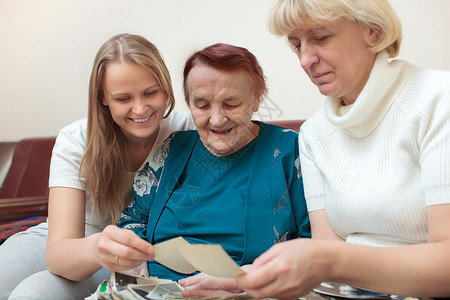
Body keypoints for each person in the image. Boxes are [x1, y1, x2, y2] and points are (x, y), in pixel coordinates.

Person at [236, 0, 450, 299]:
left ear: (373, 32)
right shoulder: (313, 133)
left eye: (321, 38)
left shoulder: (439, 100)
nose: (305, 59)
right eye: (296, 44)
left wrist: (326, 260)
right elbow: (329, 250)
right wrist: (246, 280)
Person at [1, 33, 195, 299]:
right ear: (103, 98)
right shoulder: (76, 140)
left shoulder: (188, 131)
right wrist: (97, 247)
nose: (140, 109)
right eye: (123, 99)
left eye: (150, 92)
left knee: (32, 294)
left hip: (138, 250)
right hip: (78, 241)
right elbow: (59, 252)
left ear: (165, 87)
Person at [115, 43, 310, 296]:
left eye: (231, 103)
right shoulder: (173, 148)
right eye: (203, 105)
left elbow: (315, 248)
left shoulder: (288, 151)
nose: (217, 120)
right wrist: (135, 262)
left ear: (256, 99)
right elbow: (132, 220)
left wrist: (247, 280)